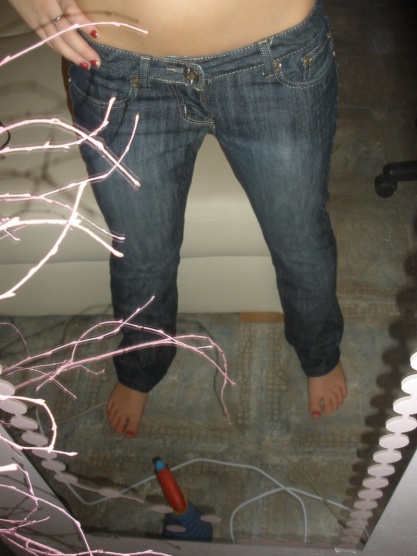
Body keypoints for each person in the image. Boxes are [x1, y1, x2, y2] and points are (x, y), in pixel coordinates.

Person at [8, 0, 347, 438]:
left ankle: (320, 353)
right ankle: (142, 363)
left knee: (299, 236)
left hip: (276, 61)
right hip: (116, 70)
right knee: (142, 254)